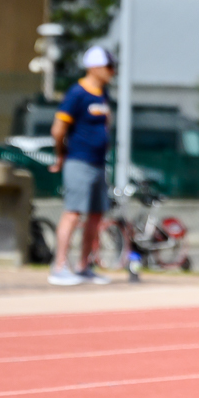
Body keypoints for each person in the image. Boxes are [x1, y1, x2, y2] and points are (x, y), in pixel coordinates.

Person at [47, 46, 116, 285]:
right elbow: (58, 129)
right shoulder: (77, 94)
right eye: (109, 67)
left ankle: (84, 266)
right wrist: (61, 154)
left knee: (96, 216)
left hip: (98, 163)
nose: (112, 72)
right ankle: (58, 267)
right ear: (95, 67)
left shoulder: (102, 94)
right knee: (73, 213)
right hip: (79, 160)